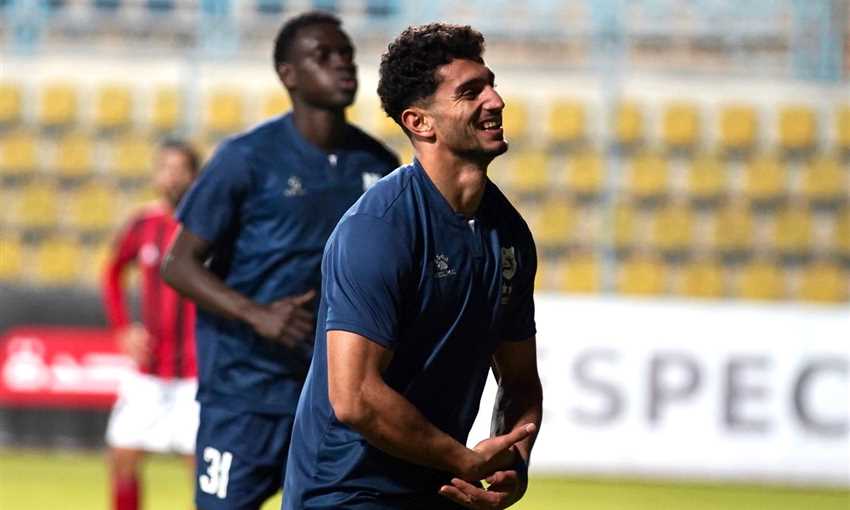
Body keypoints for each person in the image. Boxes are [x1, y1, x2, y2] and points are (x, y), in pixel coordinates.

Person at [284, 22, 543, 510]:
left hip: (438, 489)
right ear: (420, 123)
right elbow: (354, 396)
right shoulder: (378, 229)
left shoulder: (510, 234)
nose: (496, 101)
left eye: (491, 85)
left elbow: (520, 380)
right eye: (470, 92)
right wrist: (462, 458)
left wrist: (513, 463)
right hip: (345, 491)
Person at [160, 11, 399, 510]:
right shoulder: (244, 158)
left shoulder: (379, 165)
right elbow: (178, 264)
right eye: (323, 56)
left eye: (346, 54)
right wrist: (257, 314)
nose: (342, 64)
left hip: (335, 397)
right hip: (246, 391)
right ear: (288, 74)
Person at [102, 139, 201, 510]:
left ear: (194, 176)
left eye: (180, 170)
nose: (171, 177)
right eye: (165, 169)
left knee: (203, 470)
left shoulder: (210, 226)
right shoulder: (143, 224)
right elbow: (112, 272)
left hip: (196, 373)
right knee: (122, 457)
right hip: (149, 368)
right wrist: (123, 327)